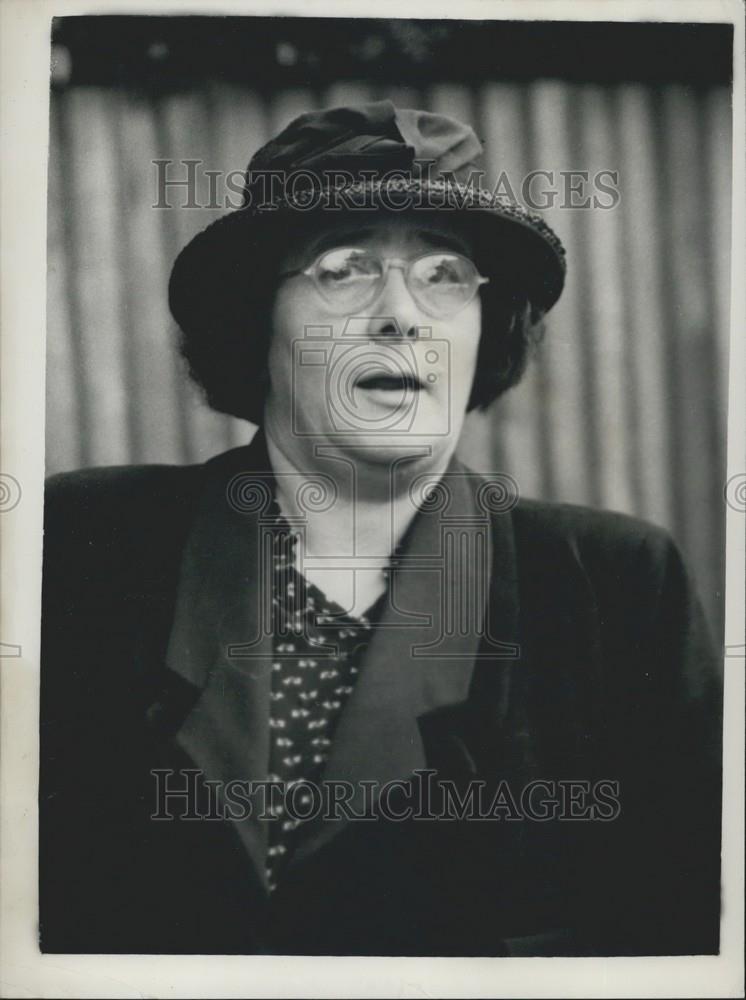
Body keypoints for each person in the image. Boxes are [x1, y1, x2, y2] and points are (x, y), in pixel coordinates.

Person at [39, 101, 722, 957]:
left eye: (445, 275)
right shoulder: (79, 546)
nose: (402, 316)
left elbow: (684, 936)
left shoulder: (616, 589)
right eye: (344, 269)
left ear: (486, 327)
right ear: (258, 321)